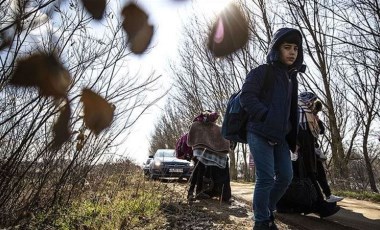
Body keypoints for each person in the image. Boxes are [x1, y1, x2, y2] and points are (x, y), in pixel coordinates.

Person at [240, 28, 306, 230]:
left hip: (281, 137)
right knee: (266, 177)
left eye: (296, 48)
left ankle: (266, 210)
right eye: (287, 47)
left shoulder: (291, 79)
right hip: (259, 131)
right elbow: (246, 97)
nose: (292, 52)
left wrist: (293, 137)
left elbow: (291, 112)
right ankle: (261, 222)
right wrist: (265, 116)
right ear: (276, 50)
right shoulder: (262, 72)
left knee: (286, 176)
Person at [295, 91, 340, 217]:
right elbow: (294, 128)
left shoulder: (308, 114)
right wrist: (296, 145)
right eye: (312, 101)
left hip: (309, 147)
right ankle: (319, 205)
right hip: (301, 148)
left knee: (312, 174)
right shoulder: (298, 110)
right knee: (308, 175)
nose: (313, 104)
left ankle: (320, 202)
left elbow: (320, 131)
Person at [187, 110, 233, 203]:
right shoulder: (199, 125)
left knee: (200, 169)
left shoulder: (198, 125)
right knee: (199, 169)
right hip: (200, 150)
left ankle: (197, 192)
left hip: (202, 150)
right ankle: (193, 192)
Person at [312, 100, 344, 203]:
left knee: (320, 172)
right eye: (315, 110)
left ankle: (328, 195)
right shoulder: (301, 114)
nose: (316, 112)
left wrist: (318, 121)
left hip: (313, 149)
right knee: (311, 175)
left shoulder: (314, 117)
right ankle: (320, 198)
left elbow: (321, 131)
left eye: (317, 111)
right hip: (302, 150)